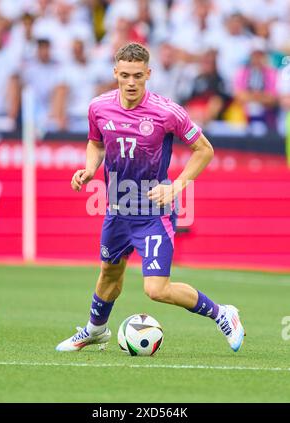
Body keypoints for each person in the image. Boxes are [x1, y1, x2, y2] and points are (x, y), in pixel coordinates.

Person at [56, 42, 245, 353]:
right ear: (115, 72)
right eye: (125, 75)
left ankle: (223, 313)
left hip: (153, 212)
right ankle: (95, 330)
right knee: (109, 273)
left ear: (148, 74)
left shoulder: (166, 112)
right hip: (117, 209)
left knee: (156, 289)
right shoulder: (99, 107)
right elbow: (95, 142)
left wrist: (177, 186)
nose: (131, 83)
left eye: (138, 76)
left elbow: (204, 150)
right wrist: (90, 169)